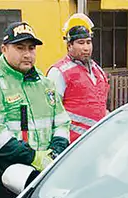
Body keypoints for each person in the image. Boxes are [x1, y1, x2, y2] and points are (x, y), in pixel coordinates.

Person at [0, 21, 70, 198]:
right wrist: (33, 157)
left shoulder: (45, 84)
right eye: (20, 47)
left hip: (46, 173)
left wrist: (55, 152)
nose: (27, 54)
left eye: (31, 48)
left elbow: (61, 122)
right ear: (4, 49)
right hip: (7, 177)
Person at [46, 13, 109, 142]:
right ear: (69, 46)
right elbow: (50, 113)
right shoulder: (58, 72)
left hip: (98, 140)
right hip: (72, 145)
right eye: (81, 43)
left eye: (88, 42)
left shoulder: (98, 71)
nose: (86, 48)